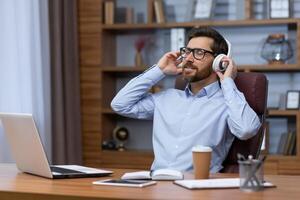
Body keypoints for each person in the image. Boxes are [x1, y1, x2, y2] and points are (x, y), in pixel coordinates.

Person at [111, 27, 261, 173]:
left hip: (198, 190)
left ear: (218, 61)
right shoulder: (166, 98)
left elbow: (246, 129)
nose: (188, 59)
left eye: (199, 53)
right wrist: (159, 70)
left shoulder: (227, 104)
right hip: (157, 186)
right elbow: (120, 104)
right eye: (187, 51)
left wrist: (227, 81)